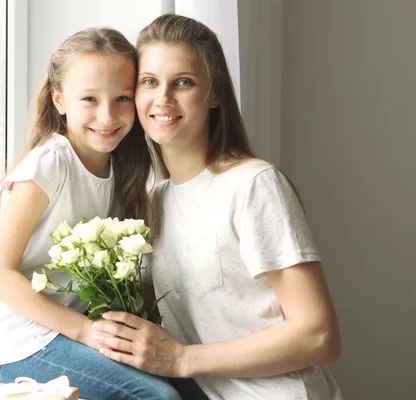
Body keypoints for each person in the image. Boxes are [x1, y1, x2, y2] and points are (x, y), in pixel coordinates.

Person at [92, 14, 344, 400]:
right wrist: (15, 335)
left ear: (214, 95)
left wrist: (182, 359)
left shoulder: (252, 185)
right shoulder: (154, 202)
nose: (163, 99)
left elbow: (319, 335)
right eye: (149, 82)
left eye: (184, 82)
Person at [0, 27, 182, 400]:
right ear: (59, 100)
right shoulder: (49, 165)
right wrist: (85, 332)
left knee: (193, 383)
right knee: (160, 397)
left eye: (121, 98)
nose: (107, 115)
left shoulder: (124, 169)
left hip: (65, 330)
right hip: (19, 341)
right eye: (89, 99)